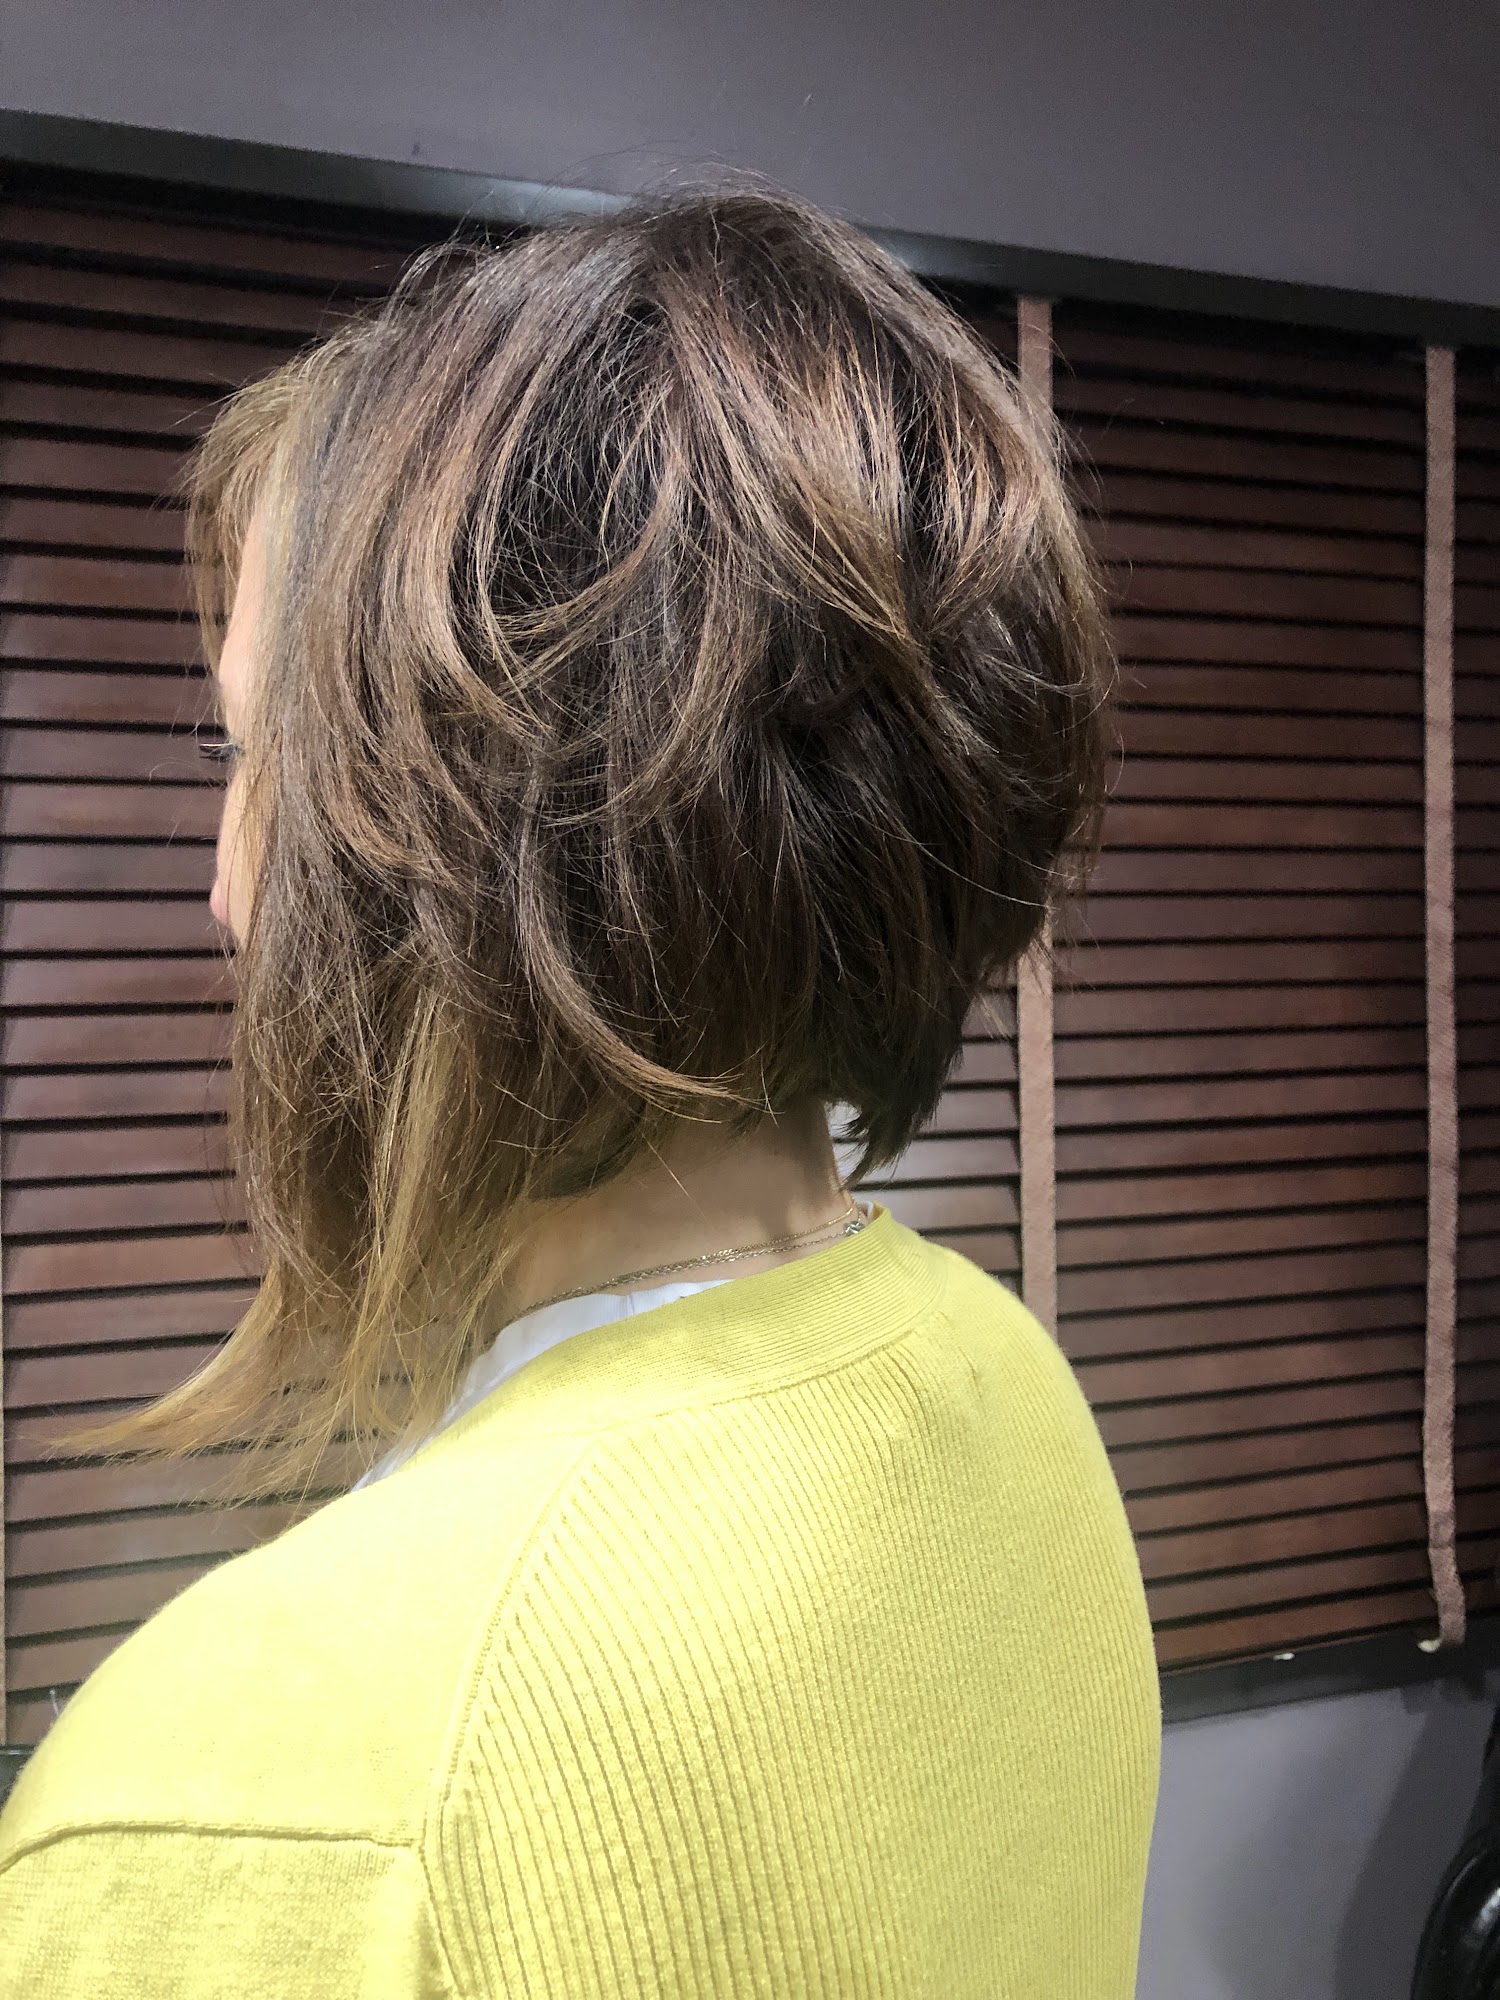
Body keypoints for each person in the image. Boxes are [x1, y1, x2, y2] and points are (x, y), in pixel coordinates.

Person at [0, 184, 1160, 1997]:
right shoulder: (1003, 1384)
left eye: (255, 758)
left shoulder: (246, 1808)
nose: (226, 886)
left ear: (492, 849)